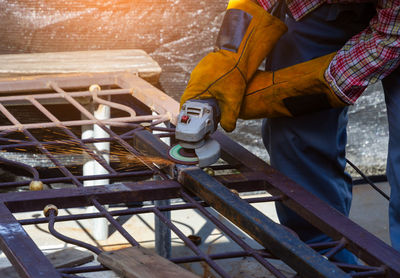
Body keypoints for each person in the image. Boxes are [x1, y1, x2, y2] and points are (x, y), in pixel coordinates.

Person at [180, 0, 400, 263]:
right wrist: (229, 58)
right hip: (315, 5)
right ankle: (322, 258)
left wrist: (281, 92)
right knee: (295, 135)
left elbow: (389, 40)